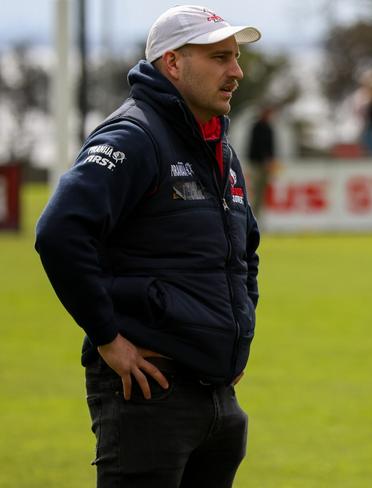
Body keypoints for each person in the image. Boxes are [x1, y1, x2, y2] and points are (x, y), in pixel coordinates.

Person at [35, 5, 261, 487]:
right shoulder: (134, 135)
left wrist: (239, 336)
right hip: (150, 395)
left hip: (218, 399)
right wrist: (107, 338)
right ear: (173, 63)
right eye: (220, 57)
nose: (236, 72)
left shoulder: (219, 145)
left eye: (236, 58)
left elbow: (245, 251)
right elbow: (60, 232)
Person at [247, 105, 276, 217]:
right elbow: (255, 146)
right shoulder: (256, 127)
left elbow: (271, 147)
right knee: (254, 189)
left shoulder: (269, 128)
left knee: (262, 191)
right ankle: (252, 214)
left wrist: (270, 161)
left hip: (265, 165)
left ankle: (258, 215)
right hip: (256, 163)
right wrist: (264, 159)